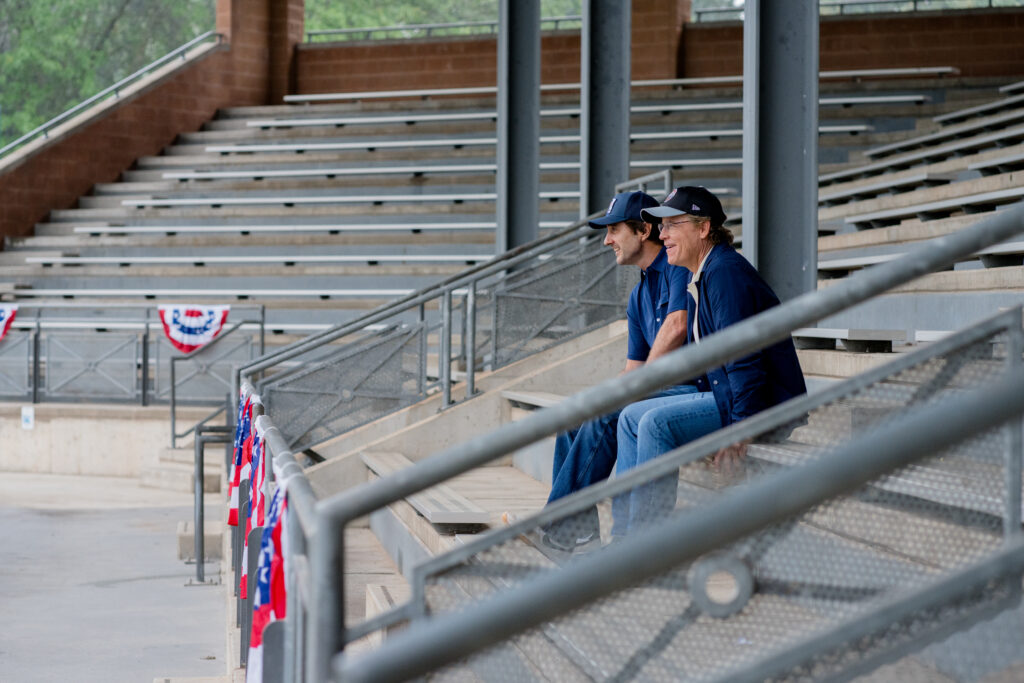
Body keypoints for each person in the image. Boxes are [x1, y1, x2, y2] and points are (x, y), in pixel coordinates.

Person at [611, 186, 807, 537]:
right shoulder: (703, 272)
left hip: (762, 406)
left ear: (703, 229)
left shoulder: (724, 273)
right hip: (726, 394)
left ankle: (643, 548)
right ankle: (623, 538)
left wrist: (740, 429)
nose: (663, 234)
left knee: (655, 423)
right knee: (629, 416)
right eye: (661, 226)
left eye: (672, 225)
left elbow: (744, 358)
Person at [508, 190, 696, 552]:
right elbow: (633, 368)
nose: (607, 240)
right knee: (576, 415)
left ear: (644, 230)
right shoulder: (638, 296)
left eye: (614, 230)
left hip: (689, 391)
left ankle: (556, 527)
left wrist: (633, 390)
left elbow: (677, 326)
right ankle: (581, 535)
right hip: (658, 390)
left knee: (612, 410)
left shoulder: (676, 267)